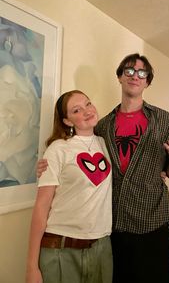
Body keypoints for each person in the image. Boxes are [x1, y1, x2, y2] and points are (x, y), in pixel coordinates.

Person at [37, 54, 169, 283]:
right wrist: (46, 164)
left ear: (147, 81)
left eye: (142, 73)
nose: (135, 76)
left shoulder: (164, 120)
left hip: (154, 223)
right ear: (120, 77)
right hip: (114, 227)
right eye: (129, 71)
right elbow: (79, 153)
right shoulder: (103, 125)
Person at [26, 90, 113, 283]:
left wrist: (162, 170)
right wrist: (31, 267)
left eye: (88, 104)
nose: (87, 111)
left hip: (101, 248)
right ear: (67, 121)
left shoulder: (105, 143)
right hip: (61, 250)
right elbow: (41, 207)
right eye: (77, 110)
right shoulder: (58, 149)